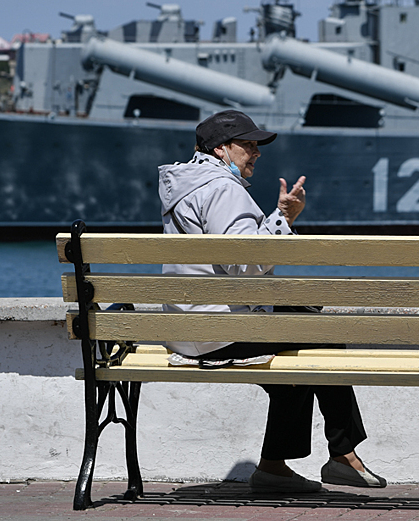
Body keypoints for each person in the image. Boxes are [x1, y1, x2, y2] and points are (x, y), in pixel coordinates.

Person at [158, 109, 386, 493]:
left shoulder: (186, 185)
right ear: (220, 150)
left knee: (296, 353)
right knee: (323, 334)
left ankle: (274, 468)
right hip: (217, 333)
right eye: (248, 145)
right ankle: (343, 454)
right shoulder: (221, 189)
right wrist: (282, 219)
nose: (256, 152)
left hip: (186, 328)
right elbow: (245, 266)